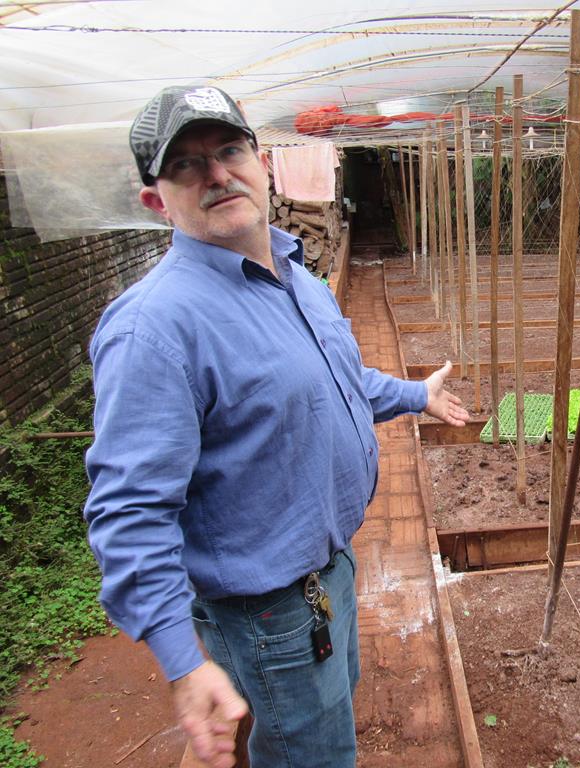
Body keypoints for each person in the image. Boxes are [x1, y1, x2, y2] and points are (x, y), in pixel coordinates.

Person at [83, 85, 469, 768]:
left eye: (229, 150)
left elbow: (331, 382)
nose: (216, 174)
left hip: (331, 571)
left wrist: (414, 395)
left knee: (324, 712)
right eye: (186, 166)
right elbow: (129, 510)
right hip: (270, 613)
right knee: (311, 753)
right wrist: (181, 661)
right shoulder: (156, 328)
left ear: (265, 164)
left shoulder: (295, 278)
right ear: (156, 201)